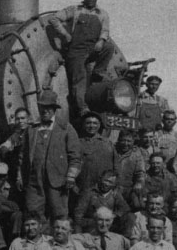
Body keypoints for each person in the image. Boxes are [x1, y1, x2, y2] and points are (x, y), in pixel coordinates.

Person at [49, 0, 114, 117]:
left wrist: (101, 41)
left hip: (92, 48)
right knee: (79, 79)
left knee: (109, 47)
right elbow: (54, 19)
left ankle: (98, 72)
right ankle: (82, 107)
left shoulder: (102, 14)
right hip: (76, 50)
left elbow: (105, 31)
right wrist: (65, 34)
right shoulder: (74, 10)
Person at [18, 90, 81, 220]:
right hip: (34, 181)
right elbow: (22, 156)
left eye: (49, 107)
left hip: (58, 181)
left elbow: (75, 156)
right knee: (33, 214)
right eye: (43, 107)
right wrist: (19, 175)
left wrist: (71, 176)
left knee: (59, 214)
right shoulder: (31, 129)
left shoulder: (66, 128)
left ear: (54, 109)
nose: (45, 111)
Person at [74, 170, 131, 235]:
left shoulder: (115, 194)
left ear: (114, 184)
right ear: (100, 179)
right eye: (105, 180)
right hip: (92, 225)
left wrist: (113, 215)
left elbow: (125, 208)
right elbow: (78, 215)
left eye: (110, 182)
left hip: (108, 226)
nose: (106, 184)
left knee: (130, 217)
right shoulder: (89, 192)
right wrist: (78, 235)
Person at [77, 111, 119, 194]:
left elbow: (116, 166)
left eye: (95, 123)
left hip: (103, 189)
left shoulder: (108, 143)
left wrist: (115, 185)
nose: (92, 126)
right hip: (82, 189)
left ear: (99, 125)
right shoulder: (77, 143)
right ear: (83, 125)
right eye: (88, 123)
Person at [115, 129, 145, 201]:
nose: (125, 144)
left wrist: (139, 183)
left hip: (128, 189)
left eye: (129, 141)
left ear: (133, 142)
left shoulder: (137, 154)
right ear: (119, 140)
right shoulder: (113, 150)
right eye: (123, 140)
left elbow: (140, 173)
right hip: (111, 188)